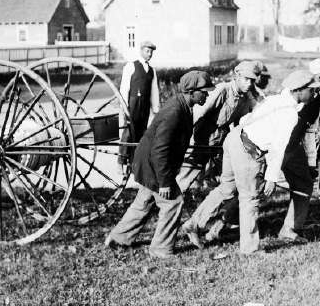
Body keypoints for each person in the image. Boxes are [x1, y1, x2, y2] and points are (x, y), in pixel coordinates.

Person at [182, 70, 320, 253]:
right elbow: (278, 147)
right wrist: (271, 178)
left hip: (235, 138)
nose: (314, 93)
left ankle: (193, 224)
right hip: (248, 150)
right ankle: (250, 249)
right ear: (299, 90)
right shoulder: (290, 115)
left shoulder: (274, 100)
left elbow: (248, 118)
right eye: (312, 90)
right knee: (250, 200)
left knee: (226, 188)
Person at [104, 71, 214, 258]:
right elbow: (160, 150)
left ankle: (118, 238)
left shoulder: (184, 105)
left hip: (149, 162)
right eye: (204, 91)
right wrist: (164, 182)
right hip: (153, 164)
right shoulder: (174, 112)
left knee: (143, 202)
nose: (207, 94)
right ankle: (160, 249)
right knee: (173, 202)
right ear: (191, 91)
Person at [187, 61, 259, 188]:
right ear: (237, 77)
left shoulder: (245, 97)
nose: (249, 84)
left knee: (213, 170)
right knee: (192, 169)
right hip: (204, 132)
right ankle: (181, 194)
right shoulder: (223, 90)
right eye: (246, 79)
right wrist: (188, 135)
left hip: (221, 136)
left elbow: (241, 123)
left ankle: (201, 191)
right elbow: (200, 112)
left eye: (252, 81)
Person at [118, 41, 160, 172]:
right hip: (132, 104)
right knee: (129, 132)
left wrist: (156, 109)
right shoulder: (131, 66)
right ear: (141, 51)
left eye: (151, 52)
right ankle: (120, 161)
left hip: (144, 106)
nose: (150, 54)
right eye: (147, 51)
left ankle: (134, 163)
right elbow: (124, 88)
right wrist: (124, 106)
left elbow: (154, 91)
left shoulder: (152, 70)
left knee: (141, 133)